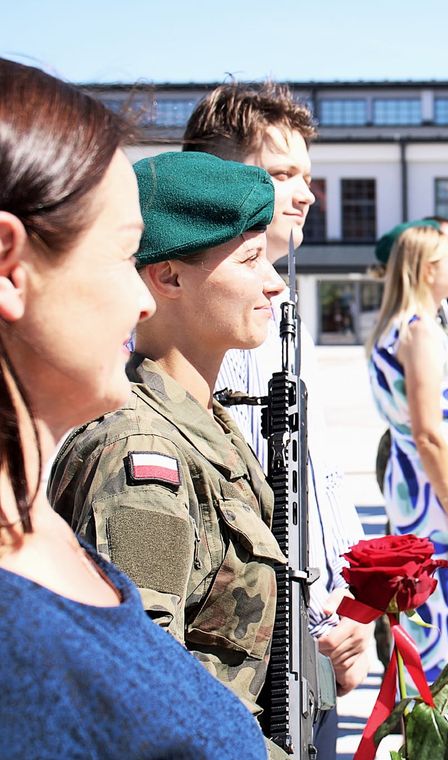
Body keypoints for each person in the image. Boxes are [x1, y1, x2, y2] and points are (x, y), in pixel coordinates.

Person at [0, 57, 267, 760]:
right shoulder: (18, 642)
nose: (141, 301)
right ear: (8, 266)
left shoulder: (38, 543)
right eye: (124, 256)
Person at [48, 151, 296, 759]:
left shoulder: (207, 423)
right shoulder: (144, 455)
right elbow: (146, 682)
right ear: (169, 278)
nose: (275, 281)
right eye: (249, 258)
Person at [181, 83, 371, 747]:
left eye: (307, 177)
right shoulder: (195, 316)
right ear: (214, 176)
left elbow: (317, 474)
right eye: (281, 174)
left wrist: (351, 610)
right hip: (246, 658)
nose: (305, 194)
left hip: (313, 641)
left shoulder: (284, 302)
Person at [367, 221, 448, 687]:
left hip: (421, 485)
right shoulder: (420, 332)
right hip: (435, 493)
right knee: (437, 617)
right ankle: (435, 732)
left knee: (431, 607)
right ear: (426, 269)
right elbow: (429, 434)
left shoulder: (401, 326)